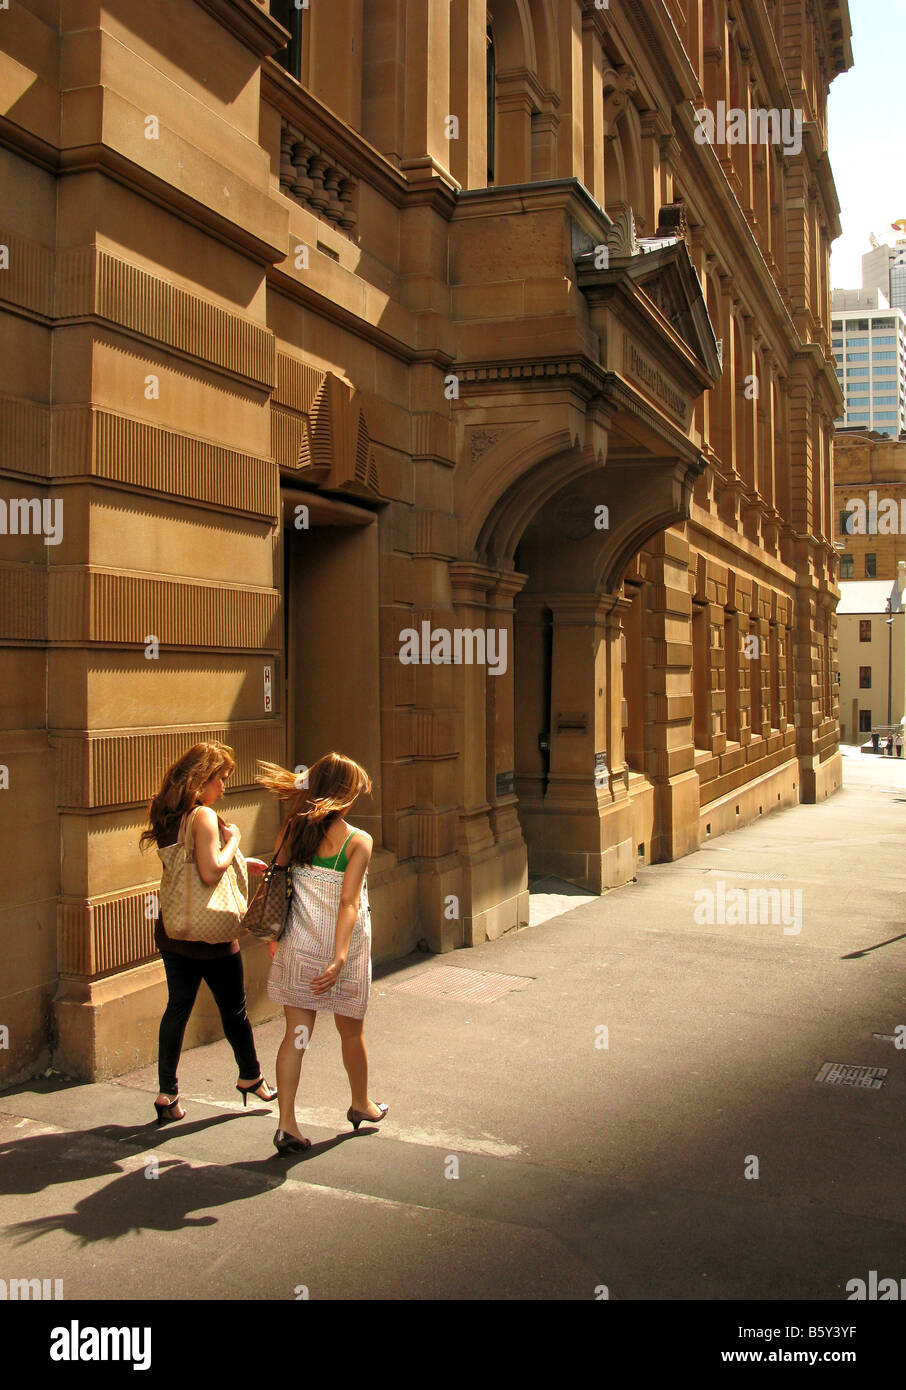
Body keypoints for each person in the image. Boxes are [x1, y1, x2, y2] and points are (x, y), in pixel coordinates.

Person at [256, 752, 387, 1155]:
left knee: (296, 1037)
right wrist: (340, 957)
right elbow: (348, 903)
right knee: (351, 1032)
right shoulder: (357, 841)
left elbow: (275, 881)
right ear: (343, 795)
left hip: (297, 944)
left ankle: (287, 1125)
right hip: (340, 950)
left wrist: (271, 939)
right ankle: (361, 1103)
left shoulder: (292, 830)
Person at [140, 742, 275, 1126]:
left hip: (175, 929)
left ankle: (167, 1093)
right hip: (210, 933)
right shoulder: (203, 816)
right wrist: (233, 838)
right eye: (220, 779)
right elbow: (209, 871)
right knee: (234, 1008)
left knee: (178, 1007)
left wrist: (240, 861)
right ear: (202, 780)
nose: (224, 787)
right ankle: (250, 1077)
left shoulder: (169, 814)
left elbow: (190, 861)